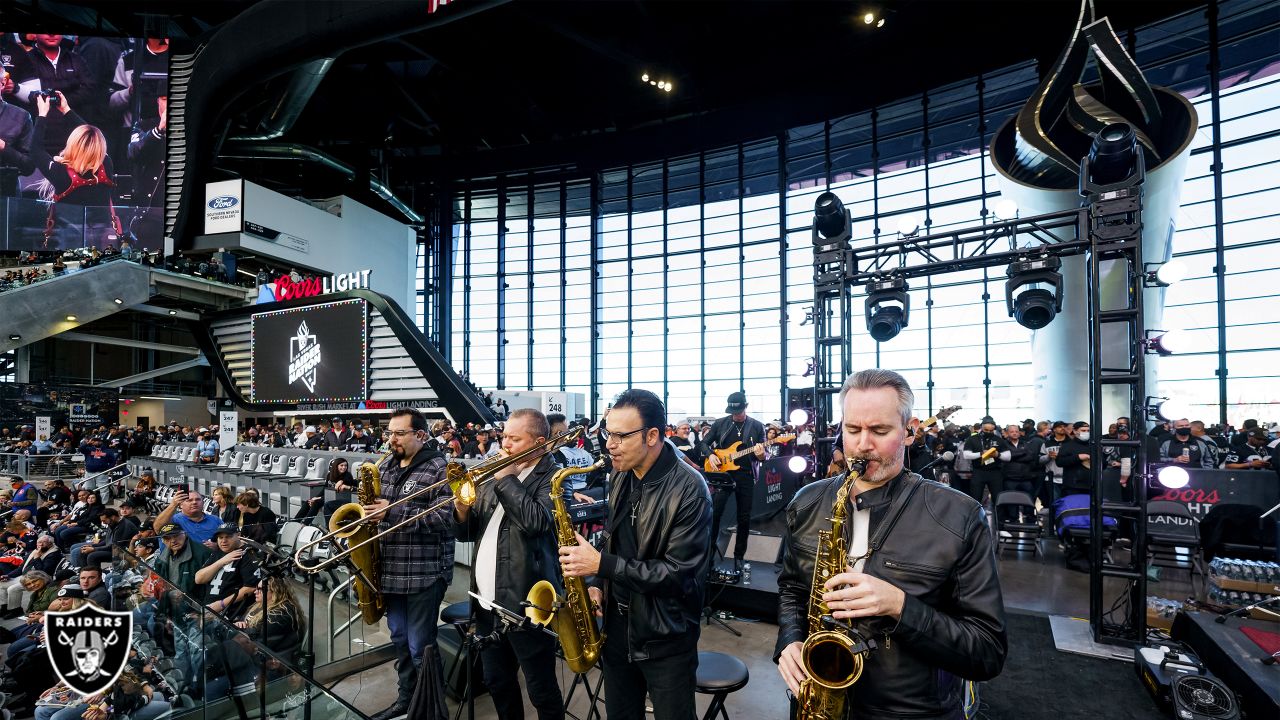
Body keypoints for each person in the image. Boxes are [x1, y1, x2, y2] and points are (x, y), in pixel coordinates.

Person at [775, 369, 1007, 718]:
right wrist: (790, 641)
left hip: (910, 711)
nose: (862, 445)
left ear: (909, 431)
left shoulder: (959, 515)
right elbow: (793, 587)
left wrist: (900, 606)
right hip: (816, 698)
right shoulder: (808, 501)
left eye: (879, 431)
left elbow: (987, 652)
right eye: (852, 430)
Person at [559, 389, 713, 720]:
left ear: (653, 435)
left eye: (620, 436)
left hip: (665, 639)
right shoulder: (621, 474)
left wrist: (602, 564)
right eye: (606, 433)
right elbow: (616, 540)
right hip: (617, 629)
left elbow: (678, 575)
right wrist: (598, 580)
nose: (609, 444)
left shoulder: (690, 490)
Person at [454, 408, 565, 719]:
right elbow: (466, 534)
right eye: (504, 437)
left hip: (526, 607)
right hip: (486, 604)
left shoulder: (555, 478)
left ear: (539, 442)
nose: (505, 445)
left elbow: (536, 522)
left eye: (515, 439)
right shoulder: (495, 474)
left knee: (540, 688)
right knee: (498, 681)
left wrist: (506, 479)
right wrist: (461, 510)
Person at [360, 408, 455, 720]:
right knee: (400, 640)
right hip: (391, 571)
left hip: (424, 574)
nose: (392, 439)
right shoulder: (385, 467)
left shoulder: (440, 468)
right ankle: (407, 699)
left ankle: (433, 710)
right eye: (390, 432)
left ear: (421, 435)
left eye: (399, 433)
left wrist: (392, 513)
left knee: (420, 647)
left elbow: (447, 518)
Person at [699, 391, 766, 568]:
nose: (736, 415)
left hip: (745, 475)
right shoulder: (721, 423)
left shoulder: (757, 426)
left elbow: (763, 456)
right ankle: (709, 554)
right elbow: (704, 443)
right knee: (715, 513)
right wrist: (711, 455)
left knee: (744, 517)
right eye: (733, 412)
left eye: (739, 411)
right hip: (723, 474)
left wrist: (761, 455)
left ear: (746, 407)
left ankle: (739, 556)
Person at [195, 523, 260, 620]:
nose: (223, 541)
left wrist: (221, 604)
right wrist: (222, 561)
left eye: (228, 537)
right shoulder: (218, 553)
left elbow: (250, 588)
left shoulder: (248, 554)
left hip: (232, 614)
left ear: (238, 535)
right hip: (208, 610)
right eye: (220, 537)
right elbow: (199, 579)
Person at [153, 489, 221, 545]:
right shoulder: (173, 520)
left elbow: (227, 540)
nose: (194, 502)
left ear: (203, 503)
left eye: (198, 499)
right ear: (181, 505)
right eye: (189, 500)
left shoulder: (215, 520)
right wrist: (173, 505)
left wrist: (217, 546)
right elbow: (157, 529)